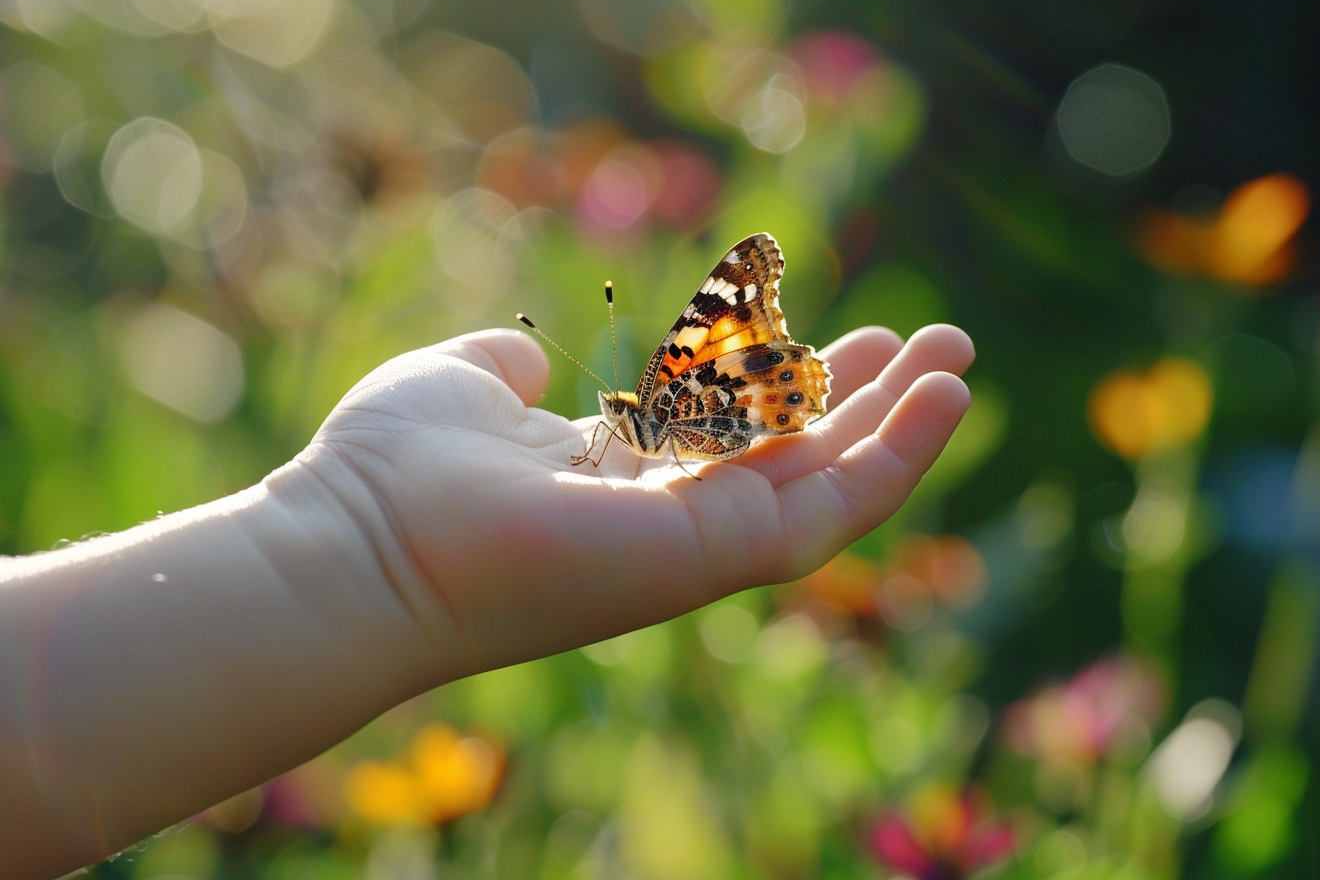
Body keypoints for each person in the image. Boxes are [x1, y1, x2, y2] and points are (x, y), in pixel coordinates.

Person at [0, 322, 974, 880]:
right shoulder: (634, 420)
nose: (615, 413)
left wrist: (363, 542)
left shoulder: (669, 402)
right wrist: (369, 535)